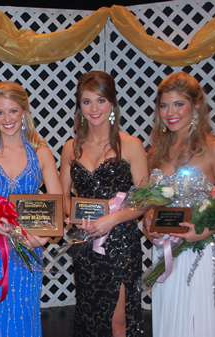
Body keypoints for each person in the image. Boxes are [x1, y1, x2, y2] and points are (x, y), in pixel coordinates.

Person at [0, 81, 63, 336]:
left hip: (26, 244)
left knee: (23, 313)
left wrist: (42, 238)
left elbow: (58, 202)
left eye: (13, 111)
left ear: (24, 111)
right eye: (0, 112)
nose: (6, 118)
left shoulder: (41, 152)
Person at [145, 72, 215, 337]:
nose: (170, 112)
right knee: (170, 321)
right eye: (164, 105)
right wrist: (148, 224)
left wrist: (204, 230)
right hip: (165, 252)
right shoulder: (156, 151)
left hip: (201, 251)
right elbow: (151, 206)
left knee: (198, 325)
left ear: (196, 106)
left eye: (178, 104)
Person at [59, 71, 148, 337]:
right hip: (85, 242)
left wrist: (113, 218)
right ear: (79, 106)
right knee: (88, 313)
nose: (94, 108)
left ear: (112, 103)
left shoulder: (131, 145)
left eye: (100, 100)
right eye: (86, 102)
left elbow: (145, 200)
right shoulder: (70, 148)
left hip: (120, 241)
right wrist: (74, 217)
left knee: (117, 321)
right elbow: (63, 195)